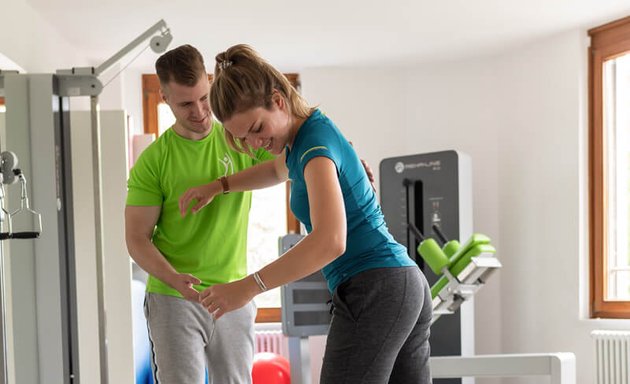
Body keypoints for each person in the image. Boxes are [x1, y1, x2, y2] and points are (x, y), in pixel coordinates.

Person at [179, 44, 433, 384]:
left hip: (374, 287)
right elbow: (274, 171)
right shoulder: (304, 140)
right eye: (243, 138)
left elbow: (330, 241)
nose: (254, 144)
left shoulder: (315, 149)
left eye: (256, 128)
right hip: (399, 283)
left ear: (279, 100)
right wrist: (219, 186)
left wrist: (249, 286)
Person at [124, 44, 275, 384]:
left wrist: (342, 165)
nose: (200, 111)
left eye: (204, 98)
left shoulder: (239, 136)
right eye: (185, 104)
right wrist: (172, 277)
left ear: (210, 82)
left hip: (232, 291)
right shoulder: (154, 160)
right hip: (174, 296)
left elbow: (286, 165)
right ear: (164, 97)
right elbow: (136, 237)